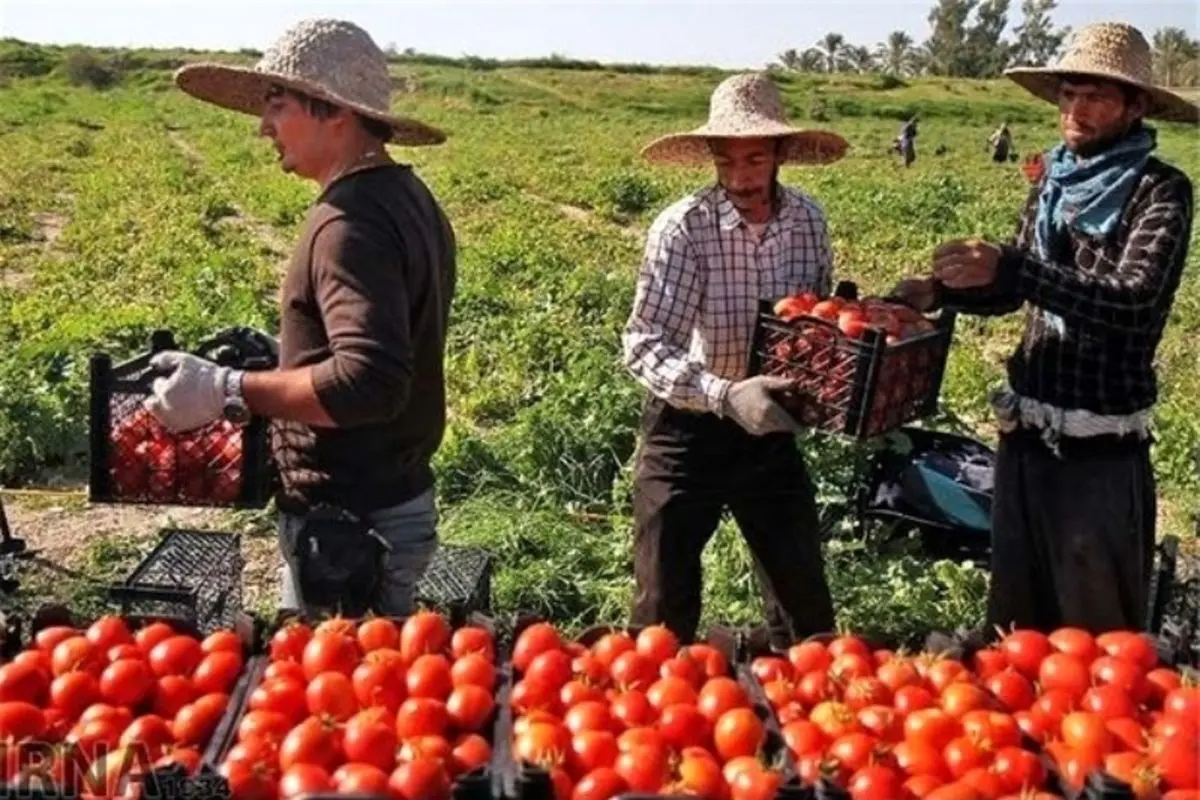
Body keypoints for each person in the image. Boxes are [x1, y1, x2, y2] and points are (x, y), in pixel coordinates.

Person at [142, 19, 457, 618]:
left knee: (342, 695)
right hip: (390, 497)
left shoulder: (350, 223)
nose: (263, 127)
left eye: (277, 105)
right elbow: (390, 343)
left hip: (352, 527)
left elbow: (368, 382)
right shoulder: (407, 197)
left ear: (333, 111)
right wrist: (290, 357)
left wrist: (227, 389)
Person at [892, 22, 1197, 635]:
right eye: (1068, 95)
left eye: (1096, 98)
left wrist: (1016, 268)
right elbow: (1016, 291)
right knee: (1017, 614)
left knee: (1095, 626)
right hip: (1027, 433)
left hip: (1098, 444)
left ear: (1135, 106)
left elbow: (1133, 303)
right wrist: (945, 291)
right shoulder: (1054, 179)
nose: (1076, 111)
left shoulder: (1160, 190)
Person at [621, 72, 849, 648]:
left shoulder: (808, 221)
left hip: (770, 429)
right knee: (660, 610)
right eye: (726, 163)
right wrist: (725, 395)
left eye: (754, 160)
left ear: (778, 155)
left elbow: (812, 320)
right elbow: (644, 342)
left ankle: (806, 700)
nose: (740, 179)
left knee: (805, 605)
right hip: (688, 427)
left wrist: (839, 343)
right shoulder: (683, 228)